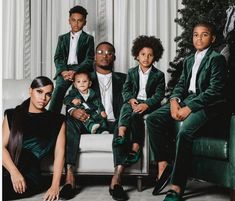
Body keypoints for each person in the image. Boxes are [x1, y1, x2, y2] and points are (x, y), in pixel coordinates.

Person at [146, 22, 228, 201]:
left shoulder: (216, 59)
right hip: (186, 98)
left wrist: (189, 108)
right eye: (195, 34)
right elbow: (181, 84)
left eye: (204, 34)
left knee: (185, 132)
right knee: (153, 119)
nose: (199, 38)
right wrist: (174, 101)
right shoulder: (189, 59)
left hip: (207, 104)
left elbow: (215, 91)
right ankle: (163, 164)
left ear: (212, 38)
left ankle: (177, 185)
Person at [59, 41, 126, 200]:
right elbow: (69, 99)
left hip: (113, 121)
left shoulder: (124, 79)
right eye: (100, 52)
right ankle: (69, 178)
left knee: (124, 124)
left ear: (114, 57)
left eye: (109, 53)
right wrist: (73, 110)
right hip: (87, 121)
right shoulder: (83, 77)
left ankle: (116, 180)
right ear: (95, 57)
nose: (105, 55)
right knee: (69, 120)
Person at [109, 35, 165, 201]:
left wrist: (146, 105)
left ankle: (135, 147)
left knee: (136, 116)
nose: (146, 58)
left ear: (155, 57)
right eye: (143, 54)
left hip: (148, 104)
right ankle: (121, 134)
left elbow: (159, 94)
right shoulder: (132, 72)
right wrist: (131, 99)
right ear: (136, 55)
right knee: (126, 109)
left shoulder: (159, 75)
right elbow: (126, 90)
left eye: (150, 55)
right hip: (133, 101)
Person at [2, 76, 66, 201]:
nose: (43, 98)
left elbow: (60, 155)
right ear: (30, 91)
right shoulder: (12, 114)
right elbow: (1, 148)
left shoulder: (57, 120)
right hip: (8, 167)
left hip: (30, 173)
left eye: (48, 94)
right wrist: (14, 173)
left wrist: (54, 186)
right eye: (39, 92)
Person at [49, 5, 95, 113]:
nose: (76, 23)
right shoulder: (62, 38)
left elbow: (89, 59)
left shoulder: (88, 39)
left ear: (84, 22)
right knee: (59, 90)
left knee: (79, 93)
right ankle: (50, 119)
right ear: (69, 21)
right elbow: (58, 57)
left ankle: (76, 119)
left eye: (79, 21)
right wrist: (63, 71)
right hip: (64, 70)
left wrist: (75, 71)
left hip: (81, 70)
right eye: (73, 20)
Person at [64, 70, 108, 134]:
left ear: (89, 83)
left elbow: (98, 103)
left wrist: (102, 110)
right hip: (81, 110)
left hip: (91, 110)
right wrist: (72, 100)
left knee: (100, 118)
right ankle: (91, 126)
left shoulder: (92, 93)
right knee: (85, 117)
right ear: (75, 85)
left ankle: (102, 130)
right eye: (78, 82)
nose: (81, 83)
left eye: (84, 81)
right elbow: (65, 99)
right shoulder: (73, 93)